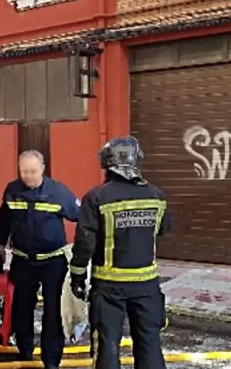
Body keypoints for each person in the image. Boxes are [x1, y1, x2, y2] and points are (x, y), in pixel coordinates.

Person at [69, 136, 170, 369]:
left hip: (108, 288)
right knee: (149, 344)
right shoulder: (157, 196)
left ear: (106, 163)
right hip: (147, 285)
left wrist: (77, 277)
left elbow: (85, 243)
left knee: (108, 346)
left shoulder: (96, 197)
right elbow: (162, 229)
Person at [0, 150, 80, 369]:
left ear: (43, 168)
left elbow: (82, 216)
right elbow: (4, 218)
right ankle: (24, 352)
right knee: (22, 309)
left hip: (53, 262)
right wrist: (1, 245)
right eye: (24, 171)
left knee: (53, 313)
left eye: (33, 171)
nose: (29, 176)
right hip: (23, 261)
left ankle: (51, 361)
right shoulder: (12, 190)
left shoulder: (59, 192)